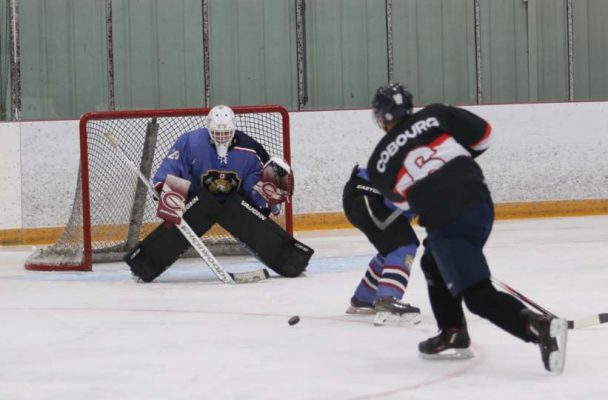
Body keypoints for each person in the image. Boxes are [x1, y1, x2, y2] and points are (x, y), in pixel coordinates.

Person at [365, 83, 567, 373]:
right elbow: (485, 136)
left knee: (477, 296)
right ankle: (453, 333)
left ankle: (536, 326)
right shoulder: (436, 114)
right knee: (433, 261)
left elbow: (402, 202)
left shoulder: (378, 164)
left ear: (382, 117)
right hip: (480, 203)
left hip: (448, 221)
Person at [123, 105, 313, 282]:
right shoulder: (190, 142)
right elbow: (172, 169)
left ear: (234, 129)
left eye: (226, 132)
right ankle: (143, 266)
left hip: (234, 203)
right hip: (199, 201)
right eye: (217, 133)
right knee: (178, 222)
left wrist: (266, 198)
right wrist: (163, 189)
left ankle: (292, 261)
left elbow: (256, 182)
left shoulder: (250, 148)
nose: (222, 137)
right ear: (208, 129)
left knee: (254, 223)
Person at [342, 164, 422, 326]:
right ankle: (387, 300)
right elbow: (397, 197)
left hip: (363, 194)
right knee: (403, 244)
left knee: (393, 247)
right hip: (367, 195)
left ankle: (364, 297)